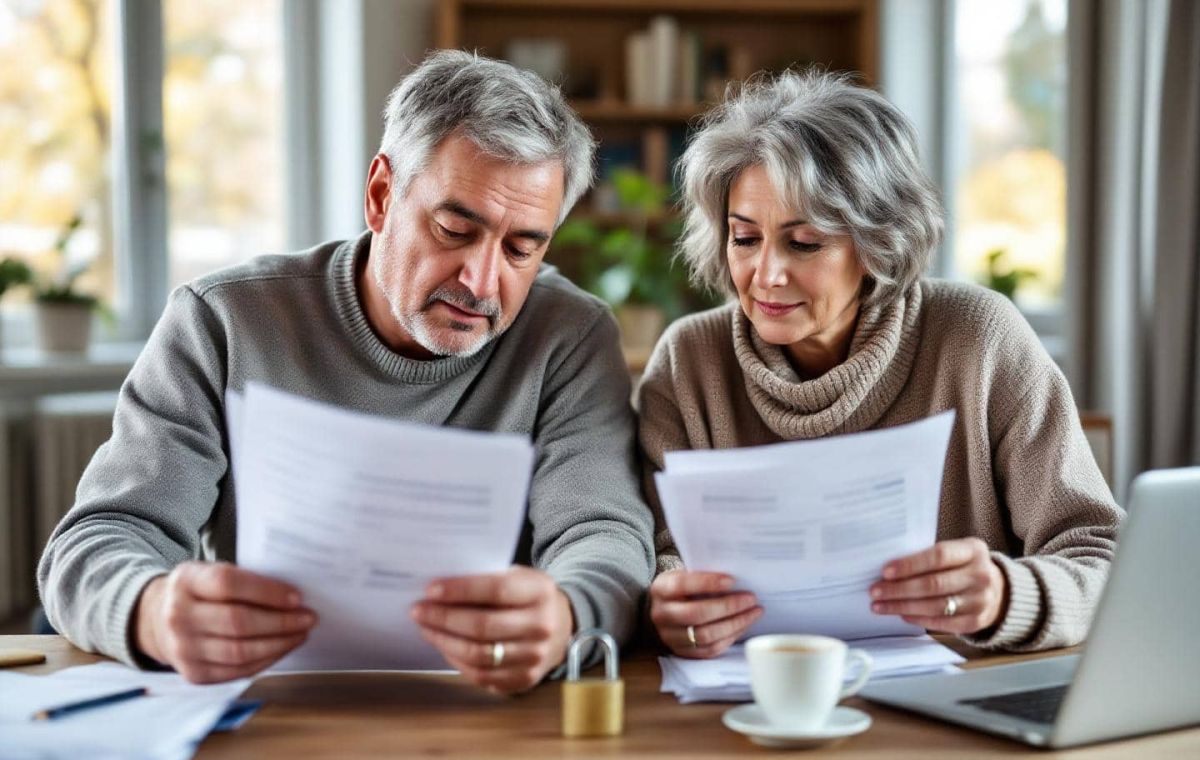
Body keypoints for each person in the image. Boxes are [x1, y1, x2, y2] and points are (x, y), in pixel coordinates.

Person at [38, 51, 654, 692]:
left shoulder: (569, 336)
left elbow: (603, 535)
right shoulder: (222, 322)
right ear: (382, 196)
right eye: (452, 229)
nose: (481, 281)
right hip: (270, 713)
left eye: (522, 248)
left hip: (485, 715)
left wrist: (568, 612)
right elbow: (101, 537)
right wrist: (151, 613)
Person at [639, 69, 1122, 659]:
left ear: (876, 243)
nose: (765, 274)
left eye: (804, 243)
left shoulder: (978, 339)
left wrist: (1005, 595)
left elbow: (1101, 553)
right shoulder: (689, 363)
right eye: (745, 239)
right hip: (749, 700)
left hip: (955, 704)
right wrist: (668, 598)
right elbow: (658, 555)